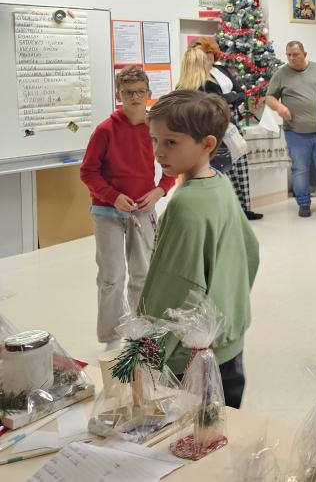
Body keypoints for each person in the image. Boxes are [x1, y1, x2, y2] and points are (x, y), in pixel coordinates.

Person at [139, 90, 260, 408]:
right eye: (154, 140)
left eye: (171, 142)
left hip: (190, 358)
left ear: (207, 144)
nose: (158, 152)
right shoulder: (220, 183)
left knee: (192, 433)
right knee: (222, 427)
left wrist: (146, 350)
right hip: (228, 345)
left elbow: (175, 287)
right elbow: (250, 251)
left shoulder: (186, 204)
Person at [80, 66, 175, 350]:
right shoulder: (105, 130)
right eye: (127, 92)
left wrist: (160, 190)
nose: (134, 97)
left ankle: (141, 331)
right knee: (111, 276)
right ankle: (111, 337)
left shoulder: (156, 129)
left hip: (143, 211)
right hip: (107, 213)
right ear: (118, 95)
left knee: (143, 273)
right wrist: (112, 196)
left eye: (139, 92)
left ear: (148, 93)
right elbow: (88, 172)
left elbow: (172, 165)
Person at [264, 41, 316, 218]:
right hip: (295, 132)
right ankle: (304, 204)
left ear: (305, 54)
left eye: (295, 54)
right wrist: (279, 107)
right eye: (288, 55)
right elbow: (269, 98)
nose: (292, 58)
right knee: (300, 169)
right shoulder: (281, 74)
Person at [189, 38, 261, 220]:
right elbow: (215, 98)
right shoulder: (196, 76)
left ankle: (244, 208)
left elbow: (240, 93)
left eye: (211, 55)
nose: (208, 58)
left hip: (233, 119)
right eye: (205, 55)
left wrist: (230, 98)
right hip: (215, 122)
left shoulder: (221, 70)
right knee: (222, 163)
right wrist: (229, 97)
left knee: (240, 162)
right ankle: (229, 211)